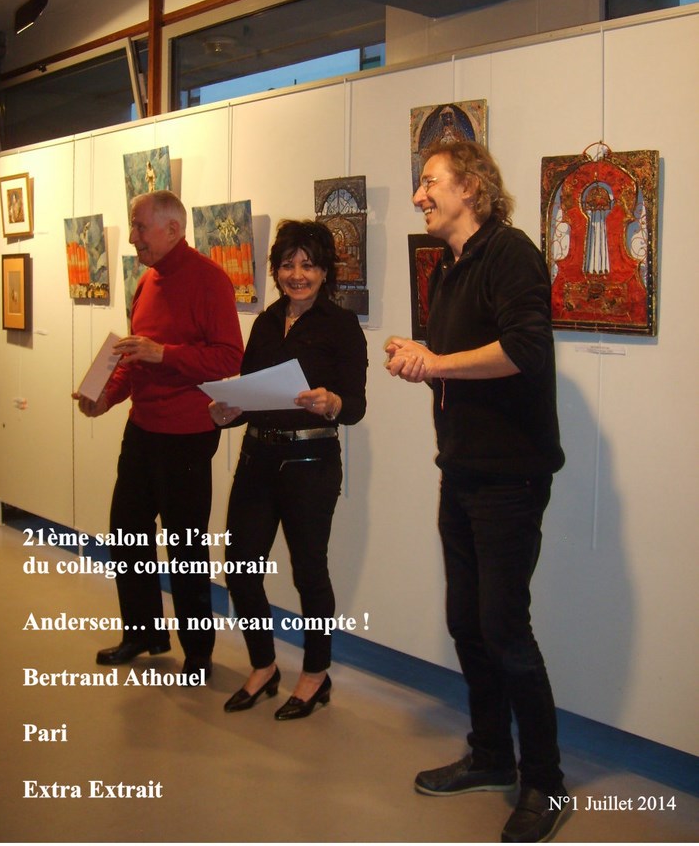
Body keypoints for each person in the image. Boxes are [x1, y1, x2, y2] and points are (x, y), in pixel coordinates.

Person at [385, 141, 568, 844]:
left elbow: (525, 349)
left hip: (509, 479)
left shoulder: (510, 253)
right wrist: (419, 362)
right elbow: (456, 368)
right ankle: (492, 755)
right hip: (460, 471)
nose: (419, 196)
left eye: (430, 182)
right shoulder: (449, 269)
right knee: (467, 623)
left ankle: (545, 783)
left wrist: (436, 362)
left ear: (471, 187)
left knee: (504, 630)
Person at [73, 191, 243, 683]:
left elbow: (229, 357)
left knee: (186, 548)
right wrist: (105, 398)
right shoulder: (146, 281)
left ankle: (198, 653)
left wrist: (163, 354)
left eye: (139, 226)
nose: (132, 237)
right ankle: (143, 633)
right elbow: (134, 359)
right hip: (142, 429)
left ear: (173, 229)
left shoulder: (210, 280)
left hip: (188, 434)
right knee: (127, 533)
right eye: (132, 226)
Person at [210, 220, 367, 720]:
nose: (297, 274)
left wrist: (331, 402)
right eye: (287, 265)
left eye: (308, 265)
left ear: (325, 271)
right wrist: (229, 410)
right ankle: (263, 666)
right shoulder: (264, 322)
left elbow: (356, 405)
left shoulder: (341, 324)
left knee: (309, 572)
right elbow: (253, 395)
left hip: (310, 462)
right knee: (240, 568)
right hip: (257, 458)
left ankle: (316, 674)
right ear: (276, 270)